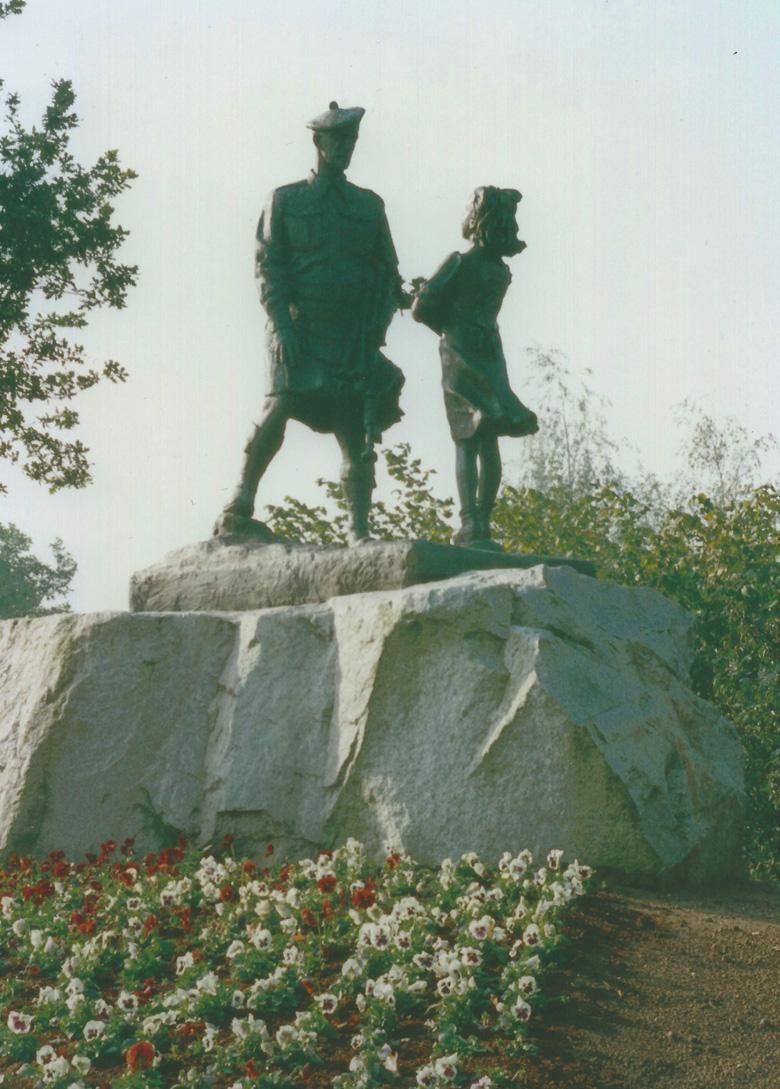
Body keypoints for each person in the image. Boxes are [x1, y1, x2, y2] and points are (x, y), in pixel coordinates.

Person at [217, 102, 406, 544]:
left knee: (353, 428)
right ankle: (239, 501)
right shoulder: (285, 200)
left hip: (349, 335)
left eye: (352, 141)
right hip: (298, 328)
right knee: (279, 406)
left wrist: (401, 301)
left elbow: (387, 268)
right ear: (318, 142)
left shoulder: (369, 205)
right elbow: (270, 269)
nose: (346, 148)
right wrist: (282, 326)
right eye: (338, 140)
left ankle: (358, 530)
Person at [412, 186, 539, 548]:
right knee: (490, 439)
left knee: (465, 438)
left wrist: (425, 299)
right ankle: (483, 519)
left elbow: (423, 310)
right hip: (490, 352)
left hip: (459, 354)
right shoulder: (500, 271)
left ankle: (470, 522)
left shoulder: (458, 262)